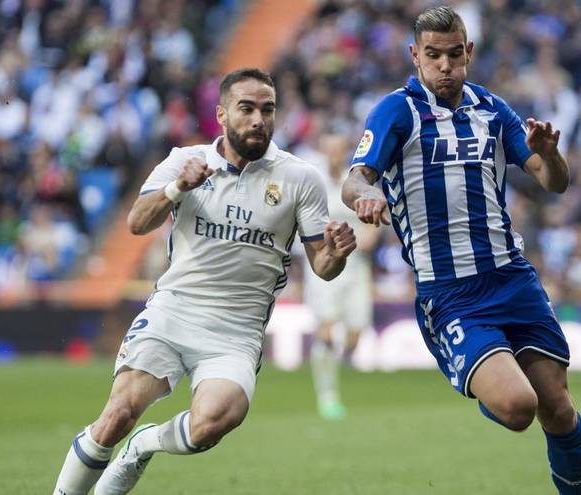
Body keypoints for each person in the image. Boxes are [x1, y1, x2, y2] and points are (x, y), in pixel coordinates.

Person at [51, 68, 357, 495]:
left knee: (213, 422)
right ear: (221, 114)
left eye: (267, 110)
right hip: (175, 311)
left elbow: (322, 267)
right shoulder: (185, 161)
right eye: (246, 109)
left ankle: (144, 445)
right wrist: (178, 188)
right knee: (118, 413)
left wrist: (337, 252)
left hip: (237, 330)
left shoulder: (299, 178)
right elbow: (137, 223)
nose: (258, 120)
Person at [341, 6, 581, 494]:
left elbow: (553, 182)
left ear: (469, 52)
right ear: (415, 55)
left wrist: (552, 152)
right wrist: (364, 195)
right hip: (452, 294)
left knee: (558, 407)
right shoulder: (397, 111)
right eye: (433, 56)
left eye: (455, 55)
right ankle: (488, 381)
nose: (445, 66)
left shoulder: (492, 109)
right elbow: (355, 177)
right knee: (519, 407)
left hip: (512, 277)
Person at [302, 134, 380, 420]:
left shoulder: (357, 185)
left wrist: (372, 233)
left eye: (339, 149)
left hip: (357, 266)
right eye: (330, 149)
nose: (335, 154)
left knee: (354, 336)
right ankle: (327, 395)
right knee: (326, 327)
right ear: (323, 152)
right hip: (326, 264)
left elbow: (374, 219)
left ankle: (334, 371)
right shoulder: (315, 184)